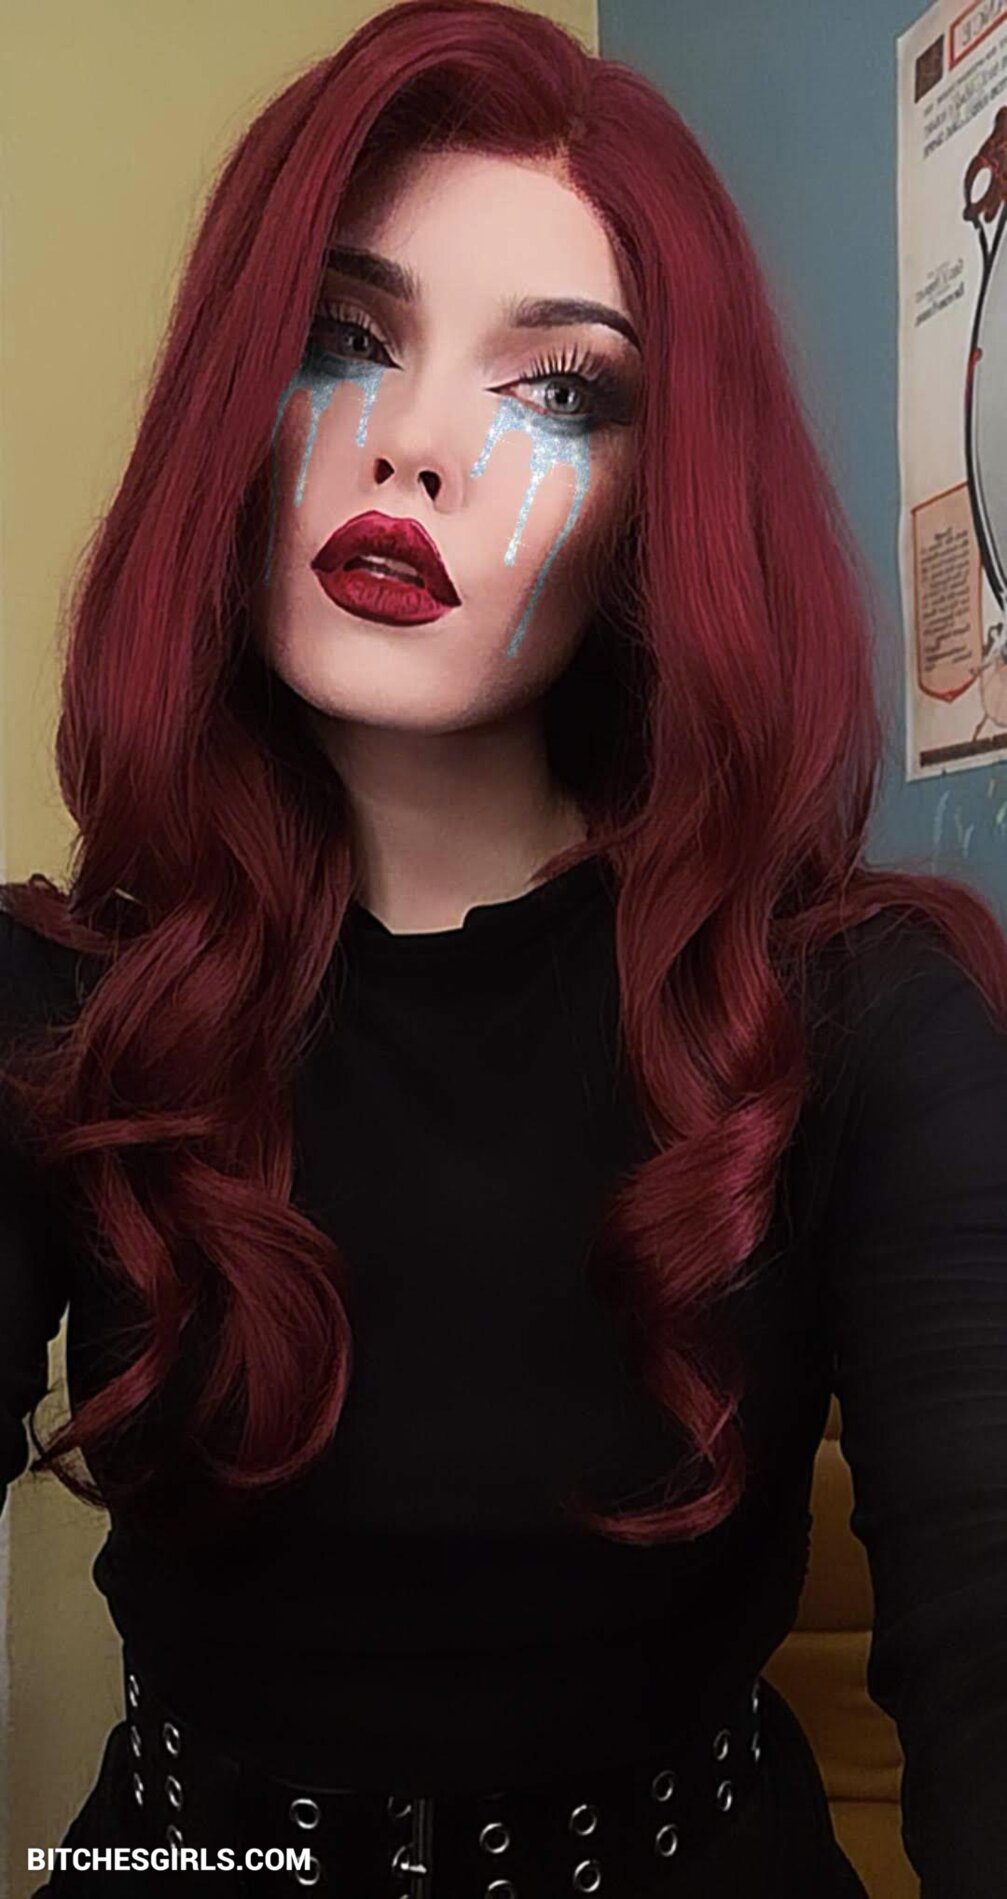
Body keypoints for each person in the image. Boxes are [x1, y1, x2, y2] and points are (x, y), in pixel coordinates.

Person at [2, 2, 1006, 1894]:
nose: (411, 445)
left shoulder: (869, 1022)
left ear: (659, 502)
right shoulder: (58, 1008)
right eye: (341, 340)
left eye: (557, 392)